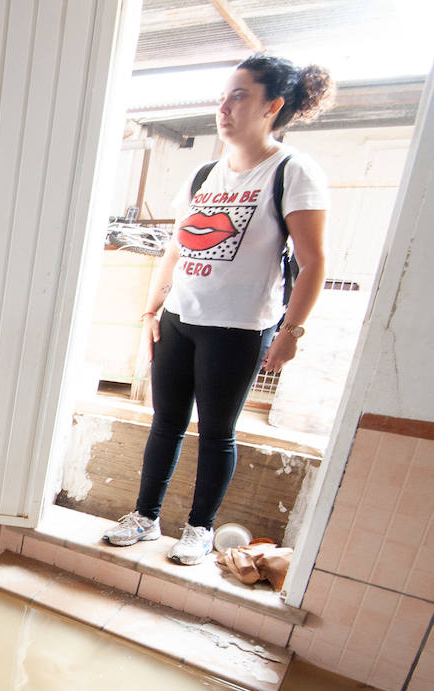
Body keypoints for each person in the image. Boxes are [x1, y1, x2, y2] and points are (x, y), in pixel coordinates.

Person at [103, 53, 335, 564]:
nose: (223, 106)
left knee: (216, 431)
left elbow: (314, 261)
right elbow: (175, 249)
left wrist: (291, 332)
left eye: (239, 95)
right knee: (164, 422)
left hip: (237, 328)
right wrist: (151, 313)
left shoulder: (292, 171)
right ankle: (145, 517)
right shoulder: (205, 173)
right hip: (180, 320)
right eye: (223, 95)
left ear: (273, 106)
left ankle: (200, 528)